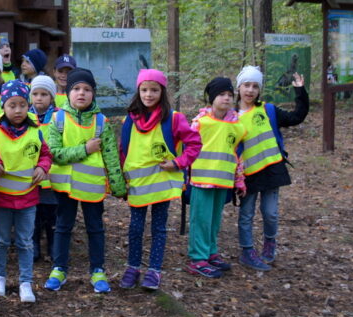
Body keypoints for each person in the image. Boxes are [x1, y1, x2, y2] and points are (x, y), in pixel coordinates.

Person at [44, 69, 126, 293]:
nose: (81, 93)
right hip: (65, 187)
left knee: (95, 228)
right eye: (76, 89)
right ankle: (59, 269)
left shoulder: (101, 122)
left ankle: (97, 270)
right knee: (63, 226)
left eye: (87, 89)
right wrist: (85, 149)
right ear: (68, 92)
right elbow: (54, 153)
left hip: (92, 187)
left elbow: (110, 155)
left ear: (94, 94)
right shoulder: (57, 118)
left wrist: (119, 187)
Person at [118, 70, 201, 290]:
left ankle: (154, 271)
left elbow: (194, 144)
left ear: (162, 92)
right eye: (144, 89)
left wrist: (178, 163)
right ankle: (132, 267)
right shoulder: (130, 119)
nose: (148, 94)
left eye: (154, 90)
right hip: (137, 185)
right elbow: (123, 151)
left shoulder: (174, 119)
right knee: (135, 228)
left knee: (158, 227)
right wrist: (120, 180)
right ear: (138, 91)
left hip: (163, 184)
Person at [235, 66, 308, 271]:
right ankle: (247, 251)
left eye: (255, 86)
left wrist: (300, 91)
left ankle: (269, 242)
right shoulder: (230, 116)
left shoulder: (268, 110)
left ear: (259, 90)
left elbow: (296, 117)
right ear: (238, 87)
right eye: (246, 85)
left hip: (272, 169)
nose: (250, 90)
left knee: (270, 213)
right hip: (247, 174)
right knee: (246, 213)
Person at [0, 80, 52, 303]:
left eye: (22, 105)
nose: (17, 110)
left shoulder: (36, 131)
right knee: (0, 241)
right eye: (12, 105)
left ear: (28, 105)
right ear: (4, 106)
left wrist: (43, 167)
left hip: (27, 198)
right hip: (1, 198)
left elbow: (45, 154)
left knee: (25, 242)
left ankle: (26, 282)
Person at [186, 77, 246, 278]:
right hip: (201, 181)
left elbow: (237, 154)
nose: (226, 99)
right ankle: (198, 258)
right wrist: (183, 178)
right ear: (212, 98)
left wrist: (239, 179)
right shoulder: (200, 122)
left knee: (214, 220)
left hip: (223, 181)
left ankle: (210, 252)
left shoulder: (237, 125)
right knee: (200, 219)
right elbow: (187, 149)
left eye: (230, 95)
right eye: (221, 95)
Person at [29, 75, 59, 262]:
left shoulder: (58, 117)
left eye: (44, 94)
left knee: (52, 215)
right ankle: (34, 246)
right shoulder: (25, 117)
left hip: (53, 176)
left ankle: (54, 246)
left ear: (52, 97)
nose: (39, 98)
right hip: (31, 177)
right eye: (35, 94)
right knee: (34, 214)